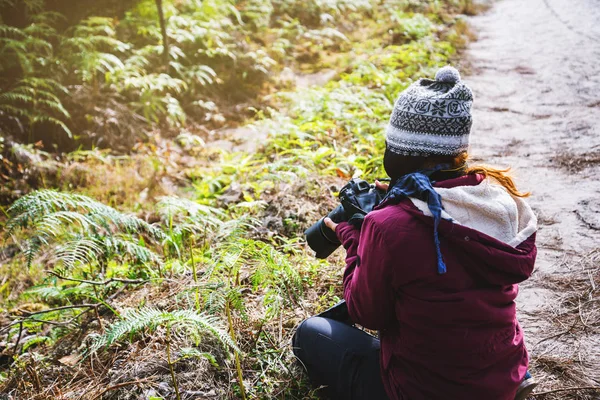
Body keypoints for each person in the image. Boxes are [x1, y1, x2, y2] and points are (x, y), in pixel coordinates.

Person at [292, 66, 538, 400]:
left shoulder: (390, 226)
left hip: (425, 390)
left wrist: (356, 238)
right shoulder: (496, 203)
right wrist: (391, 209)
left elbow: (367, 312)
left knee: (309, 334)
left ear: (403, 153)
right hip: (503, 376)